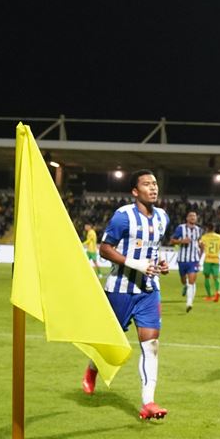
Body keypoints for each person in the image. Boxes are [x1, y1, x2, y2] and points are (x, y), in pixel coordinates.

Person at [82, 169, 170, 420]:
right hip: (120, 289)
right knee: (110, 341)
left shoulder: (163, 217)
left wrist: (160, 264)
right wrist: (135, 264)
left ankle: (148, 402)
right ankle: (92, 369)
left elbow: (154, 250)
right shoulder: (123, 217)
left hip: (149, 291)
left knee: (151, 345)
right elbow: (105, 249)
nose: (153, 188)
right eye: (146, 184)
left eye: (155, 183)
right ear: (135, 191)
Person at [171, 211, 202, 312]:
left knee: (192, 281)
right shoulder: (181, 228)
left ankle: (189, 303)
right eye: (191, 216)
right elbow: (172, 241)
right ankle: (185, 286)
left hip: (193, 260)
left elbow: (200, 243)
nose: (193, 217)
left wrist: (200, 254)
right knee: (184, 280)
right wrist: (181, 241)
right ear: (187, 218)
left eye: (195, 216)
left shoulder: (199, 230)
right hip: (182, 260)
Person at [199, 222, 220, 303]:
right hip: (216, 260)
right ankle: (218, 292)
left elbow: (202, 249)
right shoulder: (219, 237)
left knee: (207, 277)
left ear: (207, 229)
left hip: (207, 260)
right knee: (216, 277)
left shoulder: (204, 237)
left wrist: (199, 259)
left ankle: (209, 296)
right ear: (214, 229)